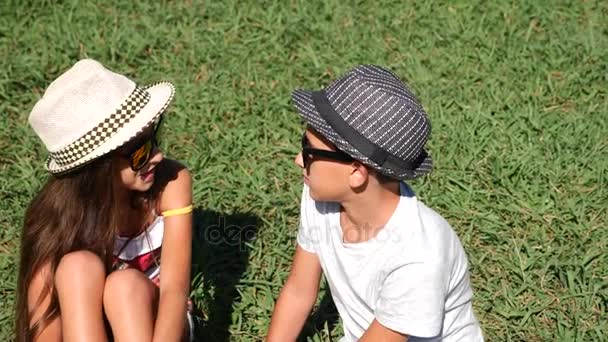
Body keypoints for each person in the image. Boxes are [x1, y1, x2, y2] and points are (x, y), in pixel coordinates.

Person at [267, 65, 484, 341]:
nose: (299, 159)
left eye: (309, 151)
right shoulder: (320, 197)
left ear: (356, 172)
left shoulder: (418, 256)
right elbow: (299, 291)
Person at [15, 59, 195, 342]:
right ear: (96, 168)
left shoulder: (171, 181)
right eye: (140, 152)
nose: (157, 156)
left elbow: (173, 291)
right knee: (77, 267)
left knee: (124, 286)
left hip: (160, 326)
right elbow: (44, 325)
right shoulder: (55, 216)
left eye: (154, 140)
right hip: (90, 328)